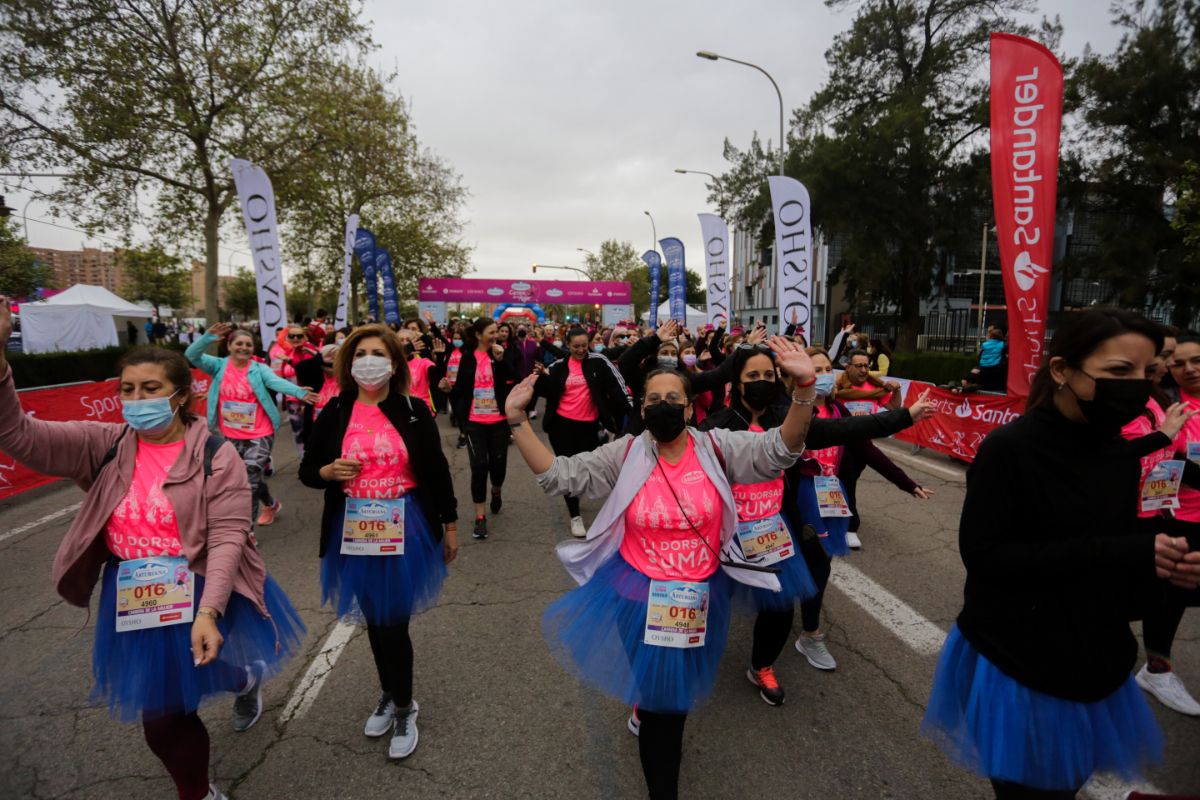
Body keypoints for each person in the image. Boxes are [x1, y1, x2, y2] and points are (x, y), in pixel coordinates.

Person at [0, 297, 303, 800]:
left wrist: (208, 611)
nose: (136, 398)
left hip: (202, 587)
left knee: (203, 673)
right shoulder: (104, 442)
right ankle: (199, 792)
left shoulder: (215, 453)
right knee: (162, 719)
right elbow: (18, 436)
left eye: (150, 389)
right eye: (127, 389)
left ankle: (242, 678)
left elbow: (229, 535)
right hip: (135, 596)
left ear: (181, 396)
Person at [505, 338, 818, 800]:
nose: (663, 406)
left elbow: (778, 452)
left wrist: (805, 387)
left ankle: (652, 712)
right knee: (662, 709)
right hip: (636, 596)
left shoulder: (717, 447)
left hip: (699, 597)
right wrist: (516, 420)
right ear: (642, 407)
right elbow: (560, 476)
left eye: (674, 399)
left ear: (690, 409)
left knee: (678, 692)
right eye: (653, 399)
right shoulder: (627, 452)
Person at [921, 308, 1200, 799]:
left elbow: (1106, 570)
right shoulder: (1010, 450)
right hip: (1021, 663)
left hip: (1096, 663)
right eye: (1118, 372)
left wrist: (1165, 571)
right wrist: (1126, 551)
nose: (1137, 386)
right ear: (1061, 371)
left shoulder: (1115, 450)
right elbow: (988, 558)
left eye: (1147, 372)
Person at [299, 324, 457, 760]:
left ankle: (405, 706)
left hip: (405, 527)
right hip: (354, 530)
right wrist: (328, 473)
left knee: (394, 623)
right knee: (374, 620)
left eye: (379, 353)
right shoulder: (334, 410)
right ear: (349, 362)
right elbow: (308, 470)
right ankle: (389, 692)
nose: (370, 360)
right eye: (362, 353)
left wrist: (451, 523)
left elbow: (437, 470)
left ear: (394, 362)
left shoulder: (412, 409)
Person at [790, 347, 934, 669]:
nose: (823, 375)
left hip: (828, 499)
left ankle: (810, 634)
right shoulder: (788, 412)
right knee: (788, 567)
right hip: (792, 499)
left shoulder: (839, 411)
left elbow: (868, 449)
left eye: (827, 368)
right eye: (815, 369)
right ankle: (777, 623)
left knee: (820, 564)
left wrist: (907, 483)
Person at [186, 323, 318, 527]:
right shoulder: (218, 365)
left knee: (249, 475)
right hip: (230, 432)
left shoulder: (259, 369)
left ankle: (247, 530)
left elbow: (275, 382)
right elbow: (192, 355)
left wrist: (298, 392)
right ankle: (270, 503)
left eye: (248, 345)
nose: (244, 348)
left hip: (260, 431)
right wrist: (207, 338)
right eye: (239, 343)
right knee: (248, 476)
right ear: (229, 346)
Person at [1140, 330, 1200, 715]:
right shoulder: (1170, 408)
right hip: (1181, 519)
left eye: (1197, 361)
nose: (1188, 369)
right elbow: (1168, 465)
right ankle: (1156, 669)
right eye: (1178, 363)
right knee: (1169, 598)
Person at [533, 326, 633, 538]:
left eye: (584, 346)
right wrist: (541, 377)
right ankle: (575, 515)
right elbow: (545, 391)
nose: (580, 350)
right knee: (568, 470)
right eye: (576, 346)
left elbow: (617, 388)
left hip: (590, 426)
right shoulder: (558, 366)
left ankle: (582, 497)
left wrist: (631, 412)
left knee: (588, 469)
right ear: (567, 345)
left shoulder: (598, 361)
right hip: (561, 426)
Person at [449, 318, 517, 540]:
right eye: (491, 332)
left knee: (498, 466)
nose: (495, 335)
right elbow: (459, 389)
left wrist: (501, 361)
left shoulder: (501, 354)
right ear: (478, 335)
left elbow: (515, 378)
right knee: (479, 466)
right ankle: (480, 517)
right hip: (473, 422)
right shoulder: (467, 358)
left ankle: (496, 490)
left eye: (497, 331)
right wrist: (448, 393)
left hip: (498, 421)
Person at [269, 323, 320, 456]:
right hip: (292, 399)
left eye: (299, 336)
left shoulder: (308, 351)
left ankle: (313, 458)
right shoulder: (288, 352)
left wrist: (290, 361)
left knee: (311, 431)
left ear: (305, 337)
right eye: (292, 336)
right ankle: (303, 460)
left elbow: (308, 371)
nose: (296, 338)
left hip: (308, 398)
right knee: (298, 431)